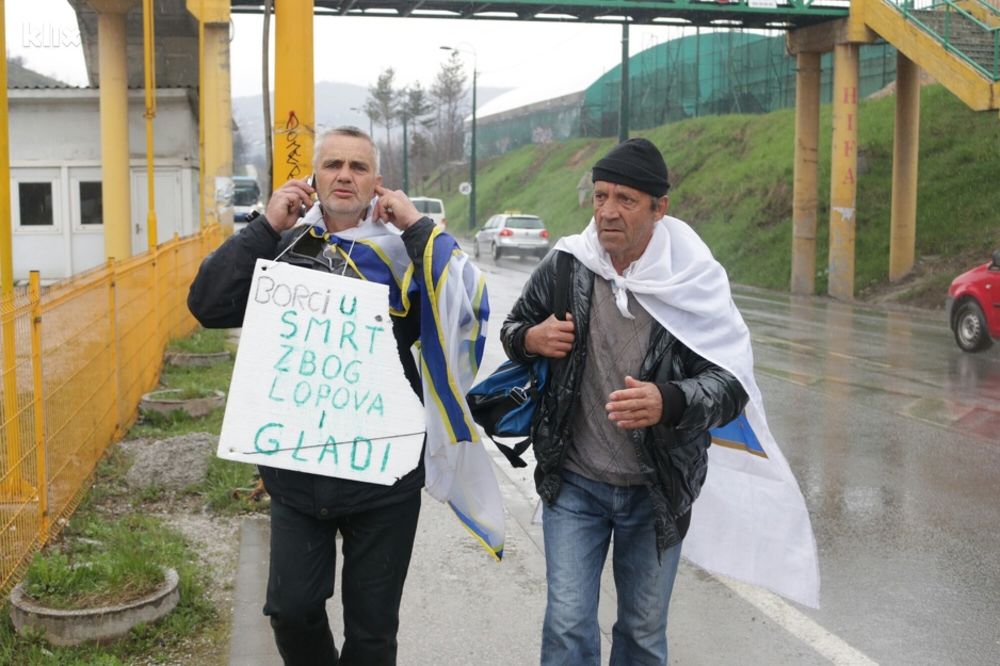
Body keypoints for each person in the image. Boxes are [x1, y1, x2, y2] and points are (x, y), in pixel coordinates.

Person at [188, 126, 498, 665]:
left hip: (385, 475)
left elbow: (466, 305)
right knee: (290, 609)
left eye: (358, 167)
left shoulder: (406, 254)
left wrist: (419, 226)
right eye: (333, 165)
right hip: (299, 471)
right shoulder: (285, 247)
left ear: (377, 182)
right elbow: (209, 305)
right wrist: (264, 226)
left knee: (372, 634)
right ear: (314, 176)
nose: (345, 176)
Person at [500, 138, 750, 665]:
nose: (607, 211)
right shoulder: (567, 266)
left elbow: (731, 382)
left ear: (660, 208)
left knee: (641, 633)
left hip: (656, 491)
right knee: (567, 624)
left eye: (626, 200)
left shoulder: (695, 281)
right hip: (574, 483)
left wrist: (671, 400)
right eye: (600, 196)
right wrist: (531, 338)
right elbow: (513, 328)